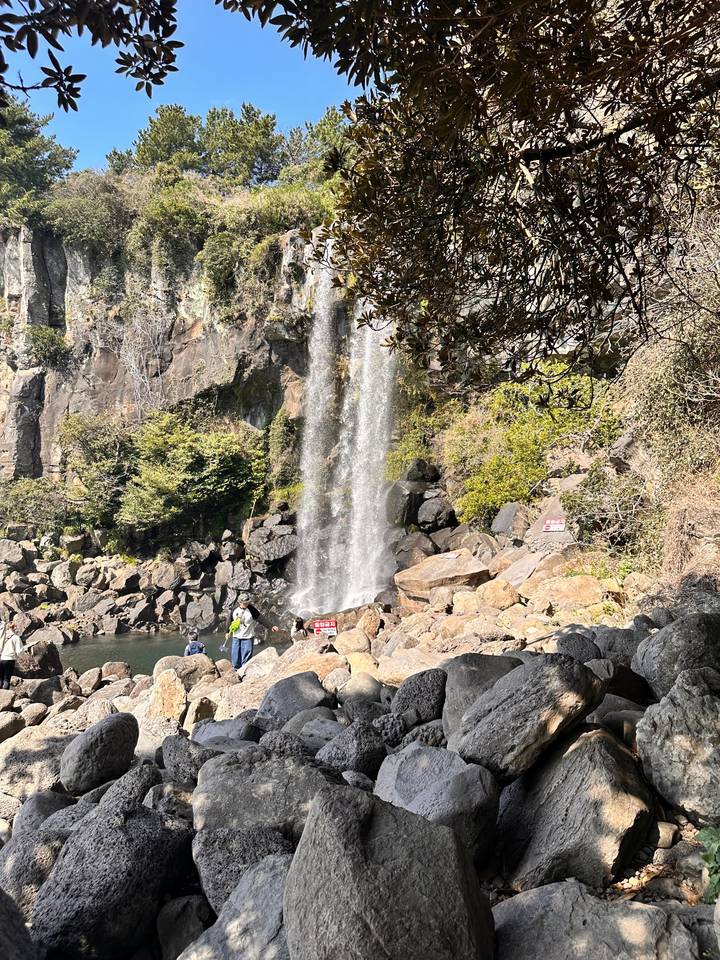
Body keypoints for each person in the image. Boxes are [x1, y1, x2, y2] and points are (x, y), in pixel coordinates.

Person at [228, 595, 256, 670]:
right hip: (236, 636)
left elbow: (260, 617)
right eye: (245, 603)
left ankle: (244, 669)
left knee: (246, 654)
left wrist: (271, 626)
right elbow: (230, 620)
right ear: (240, 602)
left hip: (248, 636)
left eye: (247, 602)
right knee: (235, 654)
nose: (247, 604)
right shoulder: (234, 608)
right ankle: (236, 669)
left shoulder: (251, 609)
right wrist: (227, 632)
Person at [0, 617, 24, 690]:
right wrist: (20, 658)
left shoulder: (2, 637)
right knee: (7, 678)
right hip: (10, 659)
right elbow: (19, 651)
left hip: (1, 659)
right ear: (14, 627)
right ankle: (5, 695)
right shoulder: (16, 637)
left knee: (0, 678)